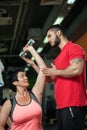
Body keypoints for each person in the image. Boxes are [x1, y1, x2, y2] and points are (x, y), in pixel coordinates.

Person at [42, 24, 87, 130]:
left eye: (49, 36)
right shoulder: (58, 59)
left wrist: (56, 71)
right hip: (61, 106)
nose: (48, 40)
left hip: (73, 103)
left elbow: (77, 69)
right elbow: (50, 78)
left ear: (58, 33)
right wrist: (32, 63)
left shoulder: (74, 48)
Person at [0, 44, 46, 130]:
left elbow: (43, 70)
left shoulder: (35, 95)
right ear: (15, 82)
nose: (26, 77)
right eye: (22, 76)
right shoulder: (9, 104)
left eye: (25, 75)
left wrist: (32, 52)